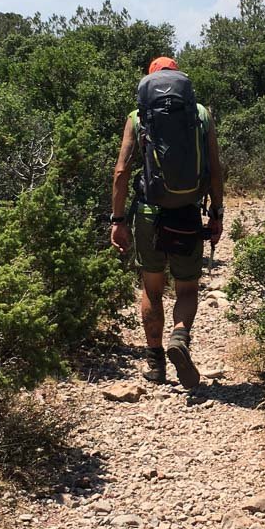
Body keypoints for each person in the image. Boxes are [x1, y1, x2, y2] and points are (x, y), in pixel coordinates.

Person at [110, 56, 224, 387]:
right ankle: (180, 336)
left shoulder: (139, 116)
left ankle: (156, 362)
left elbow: (121, 171)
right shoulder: (201, 114)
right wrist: (216, 214)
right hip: (187, 211)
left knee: (152, 287)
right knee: (187, 288)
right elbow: (215, 170)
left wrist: (118, 220)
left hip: (149, 211)